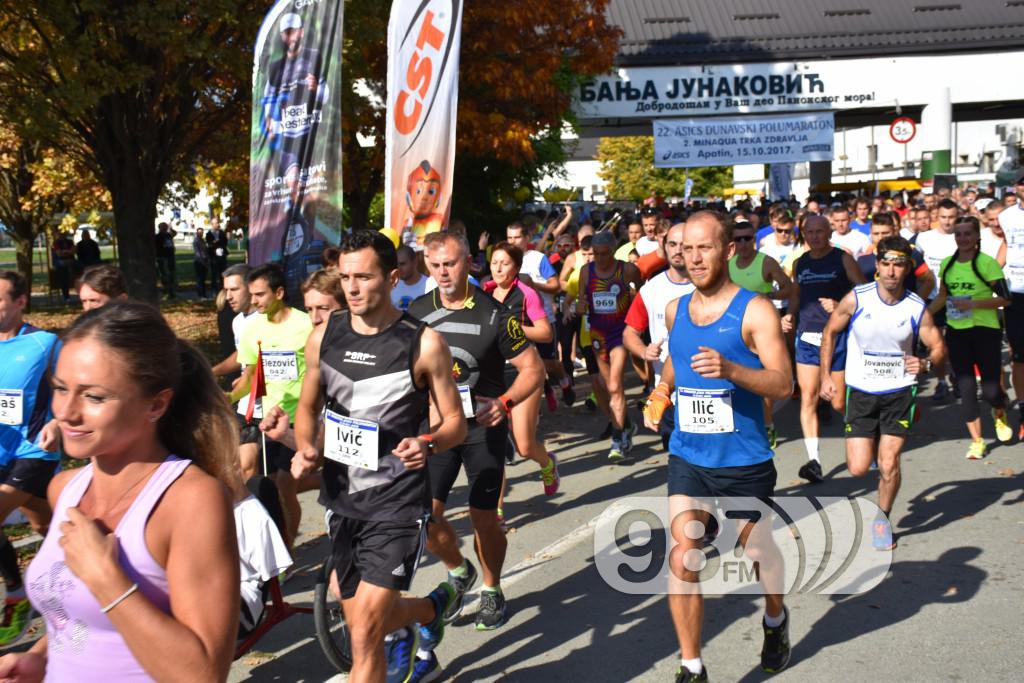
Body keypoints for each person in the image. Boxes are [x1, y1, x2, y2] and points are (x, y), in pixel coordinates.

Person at [0, 302, 240, 680]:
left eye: (94, 397)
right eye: (60, 389)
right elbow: (82, 619)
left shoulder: (190, 499)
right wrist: (40, 658)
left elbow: (202, 675)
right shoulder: (64, 489)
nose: (66, 412)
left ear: (156, 404)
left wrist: (107, 580)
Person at [290, 230, 466, 682]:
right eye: (346, 277)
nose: (351, 288)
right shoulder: (324, 336)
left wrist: (426, 443)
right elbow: (307, 408)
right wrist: (307, 445)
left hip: (397, 503)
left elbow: (455, 424)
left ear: (390, 279)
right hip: (342, 500)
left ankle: (412, 627)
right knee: (360, 623)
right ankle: (426, 613)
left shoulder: (423, 344)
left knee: (364, 635)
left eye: (363, 278)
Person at [640, 211, 793, 682]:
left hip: (743, 459)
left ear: (728, 250)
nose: (694, 257)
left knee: (757, 553)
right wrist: (661, 393)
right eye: (686, 248)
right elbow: (675, 365)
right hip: (689, 454)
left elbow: (783, 383)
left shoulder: (756, 310)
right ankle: (692, 666)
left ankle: (775, 617)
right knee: (682, 555)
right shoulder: (674, 310)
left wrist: (731, 371)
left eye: (704, 248)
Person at [408, 231, 545, 632]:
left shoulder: (496, 313)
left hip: (482, 428)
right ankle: (458, 569)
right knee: (426, 518)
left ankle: (491, 587)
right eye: (434, 266)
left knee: (483, 517)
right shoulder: (416, 313)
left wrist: (503, 404)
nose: (443, 273)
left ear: (469, 262)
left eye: (450, 264)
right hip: (438, 429)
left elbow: (532, 371)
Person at [820, 237, 946, 549]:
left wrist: (927, 363)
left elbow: (939, 346)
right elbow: (830, 332)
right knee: (859, 467)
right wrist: (826, 376)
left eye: (898, 264)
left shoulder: (916, 307)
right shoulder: (858, 298)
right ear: (877, 266)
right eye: (886, 264)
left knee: (889, 463)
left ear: (907, 269)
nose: (891, 271)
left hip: (899, 392)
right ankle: (874, 441)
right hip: (862, 390)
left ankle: (882, 518)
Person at [229, 264, 312, 546]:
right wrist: (224, 400)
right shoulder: (253, 328)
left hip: (299, 419)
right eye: (251, 295)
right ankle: (278, 542)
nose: (254, 301)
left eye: (260, 295)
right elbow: (249, 377)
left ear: (279, 292)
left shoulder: (305, 325)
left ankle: (288, 548)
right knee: (267, 487)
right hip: (268, 420)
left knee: (286, 488)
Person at [0, 272, 61, 647]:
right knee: (51, 528)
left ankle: (16, 594)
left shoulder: (45, 343)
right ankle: (100, 580)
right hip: (3, 453)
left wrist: (57, 421)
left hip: (34, 451)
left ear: (21, 301)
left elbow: (74, 387)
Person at [784, 214, 865, 483]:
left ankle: (866, 441)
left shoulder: (842, 258)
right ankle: (814, 461)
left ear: (829, 232)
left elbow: (864, 290)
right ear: (803, 234)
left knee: (839, 401)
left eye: (820, 231)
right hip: (807, 336)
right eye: (810, 232)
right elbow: (796, 295)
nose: (815, 236)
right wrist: (790, 315)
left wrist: (841, 303)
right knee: (809, 397)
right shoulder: (800, 263)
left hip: (836, 336)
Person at [927, 216, 1013, 459]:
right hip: (957, 333)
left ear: (977, 237)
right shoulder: (948, 264)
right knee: (965, 388)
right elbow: (943, 295)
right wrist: (923, 314)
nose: (963, 238)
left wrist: (973, 304)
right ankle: (977, 441)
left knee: (990, 390)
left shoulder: (987, 264)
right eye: (959, 234)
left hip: (986, 331)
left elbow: (1006, 299)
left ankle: (999, 410)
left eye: (967, 234)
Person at [484, 242, 561, 503]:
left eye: (504, 263)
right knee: (492, 448)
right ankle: (496, 511)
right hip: (492, 374)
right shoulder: (485, 293)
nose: (498, 268)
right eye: (494, 262)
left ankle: (547, 463)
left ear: (516, 267)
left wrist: (513, 329)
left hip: (524, 372)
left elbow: (546, 332)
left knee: (524, 445)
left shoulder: (527, 293)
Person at [623, 223, 695, 450]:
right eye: (672, 244)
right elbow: (630, 333)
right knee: (679, 464)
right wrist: (644, 351)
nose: (677, 250)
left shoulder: (710, 285)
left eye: (684, 245)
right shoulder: (651, 289)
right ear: (664, 247)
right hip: (667, 394)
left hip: (710, 391)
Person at [578, 230, 643, 460]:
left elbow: (641, 292)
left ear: (613, 251)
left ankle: (617, 439)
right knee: (608, 386)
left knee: (615, 385)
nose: (599, 258)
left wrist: (634, 303)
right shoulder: (587, 271)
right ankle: (626, 426)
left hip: (620, 333)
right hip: (597, 334)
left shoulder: (626, 269)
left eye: (604, 253)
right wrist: (579, 306)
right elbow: (582, 301)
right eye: (595, 253)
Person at [728, 220, 793, 447]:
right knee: (737, 378)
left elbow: (787, 286)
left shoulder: (765, 262)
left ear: (754, 239)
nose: (744, 243)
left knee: (764, 378)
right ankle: (742, 424)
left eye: (748, 238)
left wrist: (770, 298)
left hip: (763, 328)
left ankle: (767, 425)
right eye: (738, 239)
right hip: (735, 328)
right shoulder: (728, 263)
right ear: (732, 242)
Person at [506, 222, 572, 408]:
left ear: (527, 238)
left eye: (516, 237)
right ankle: (538, 399)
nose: (512, 241)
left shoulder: (538, 259)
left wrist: (533, 285)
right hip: (518, 323)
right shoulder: (504, 260)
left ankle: (564, 381)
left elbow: (555, 286)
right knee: (526, 365)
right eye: (509, 238)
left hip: (542, 320)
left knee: (549, 364)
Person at [916, 198, 960, 401]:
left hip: (958, 298)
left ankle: (957, 374)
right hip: (933, 298)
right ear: (936, 216)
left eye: (951, 217)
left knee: (955, 343)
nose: (947, 221)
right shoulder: (924, 238)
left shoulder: (962, 237)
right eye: (943, 217)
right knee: (938, 344)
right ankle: (941, 382)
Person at [998, 170, 1024, 439]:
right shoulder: (1006, 216)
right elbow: (1006, 244)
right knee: (1019, 354)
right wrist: (991, 274)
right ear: (1016, 187)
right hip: (1015, 290)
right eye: (1022, 183)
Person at [856, 213, 935, 299]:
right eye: (876, 233)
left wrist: (917, 305)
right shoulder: (863, 259)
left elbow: (929, 280)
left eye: (885, 233)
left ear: (894, 231)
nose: (880, 237)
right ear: (870, 234)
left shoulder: (910, 253)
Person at [391, 245, 429, 311]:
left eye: (403, 264)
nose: (399, 269)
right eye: (396, 265)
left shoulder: (430, 286)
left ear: (415, 262)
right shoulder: (392, 286)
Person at [50, 231, 76, 303]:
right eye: (61, 234)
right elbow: (59, 254)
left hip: (70, 262)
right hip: (60, 263)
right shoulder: (56, 243)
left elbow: (73, 251)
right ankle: (66, 296)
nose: (63, 235)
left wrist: (65, 252)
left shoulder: (70, 242)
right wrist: (68, 252)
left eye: (64, 234)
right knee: (63, 274)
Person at [154, 222, 177, 300]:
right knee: (165, 276)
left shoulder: (168, 235)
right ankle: (166, 292)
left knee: (172, 275)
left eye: (166, 227)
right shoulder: (157, 237)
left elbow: (174, 233)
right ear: (160, 228)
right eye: (163, 227)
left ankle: (172, 292)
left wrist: (171, 228)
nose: (165, 228)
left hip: (171, 257)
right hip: (163, 258)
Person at [206, 217, 230, 294]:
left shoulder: (222, 232)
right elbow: (210, 244)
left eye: (217, 223)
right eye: (215, 223)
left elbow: (225, 242)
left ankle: (224, 289)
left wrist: (217, 243)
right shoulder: (209, 234)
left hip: (222, 256)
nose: (216, 225)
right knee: (214, 274)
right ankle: (214, 290)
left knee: (223, 273)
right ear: (212, 224)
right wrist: (216, 243)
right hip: (213, 257)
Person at [192, 227, 210, 299]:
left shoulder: (203, 240)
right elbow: (197, 252)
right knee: (200, 279)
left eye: (201, 232)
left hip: (204, 261)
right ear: (197, 233)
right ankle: (201, 294)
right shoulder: (196, 241)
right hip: (199, 261)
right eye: (199, 232)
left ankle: (203, 293)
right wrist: (203, 259)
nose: (200, 234)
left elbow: (206, 250)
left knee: (203, 278)